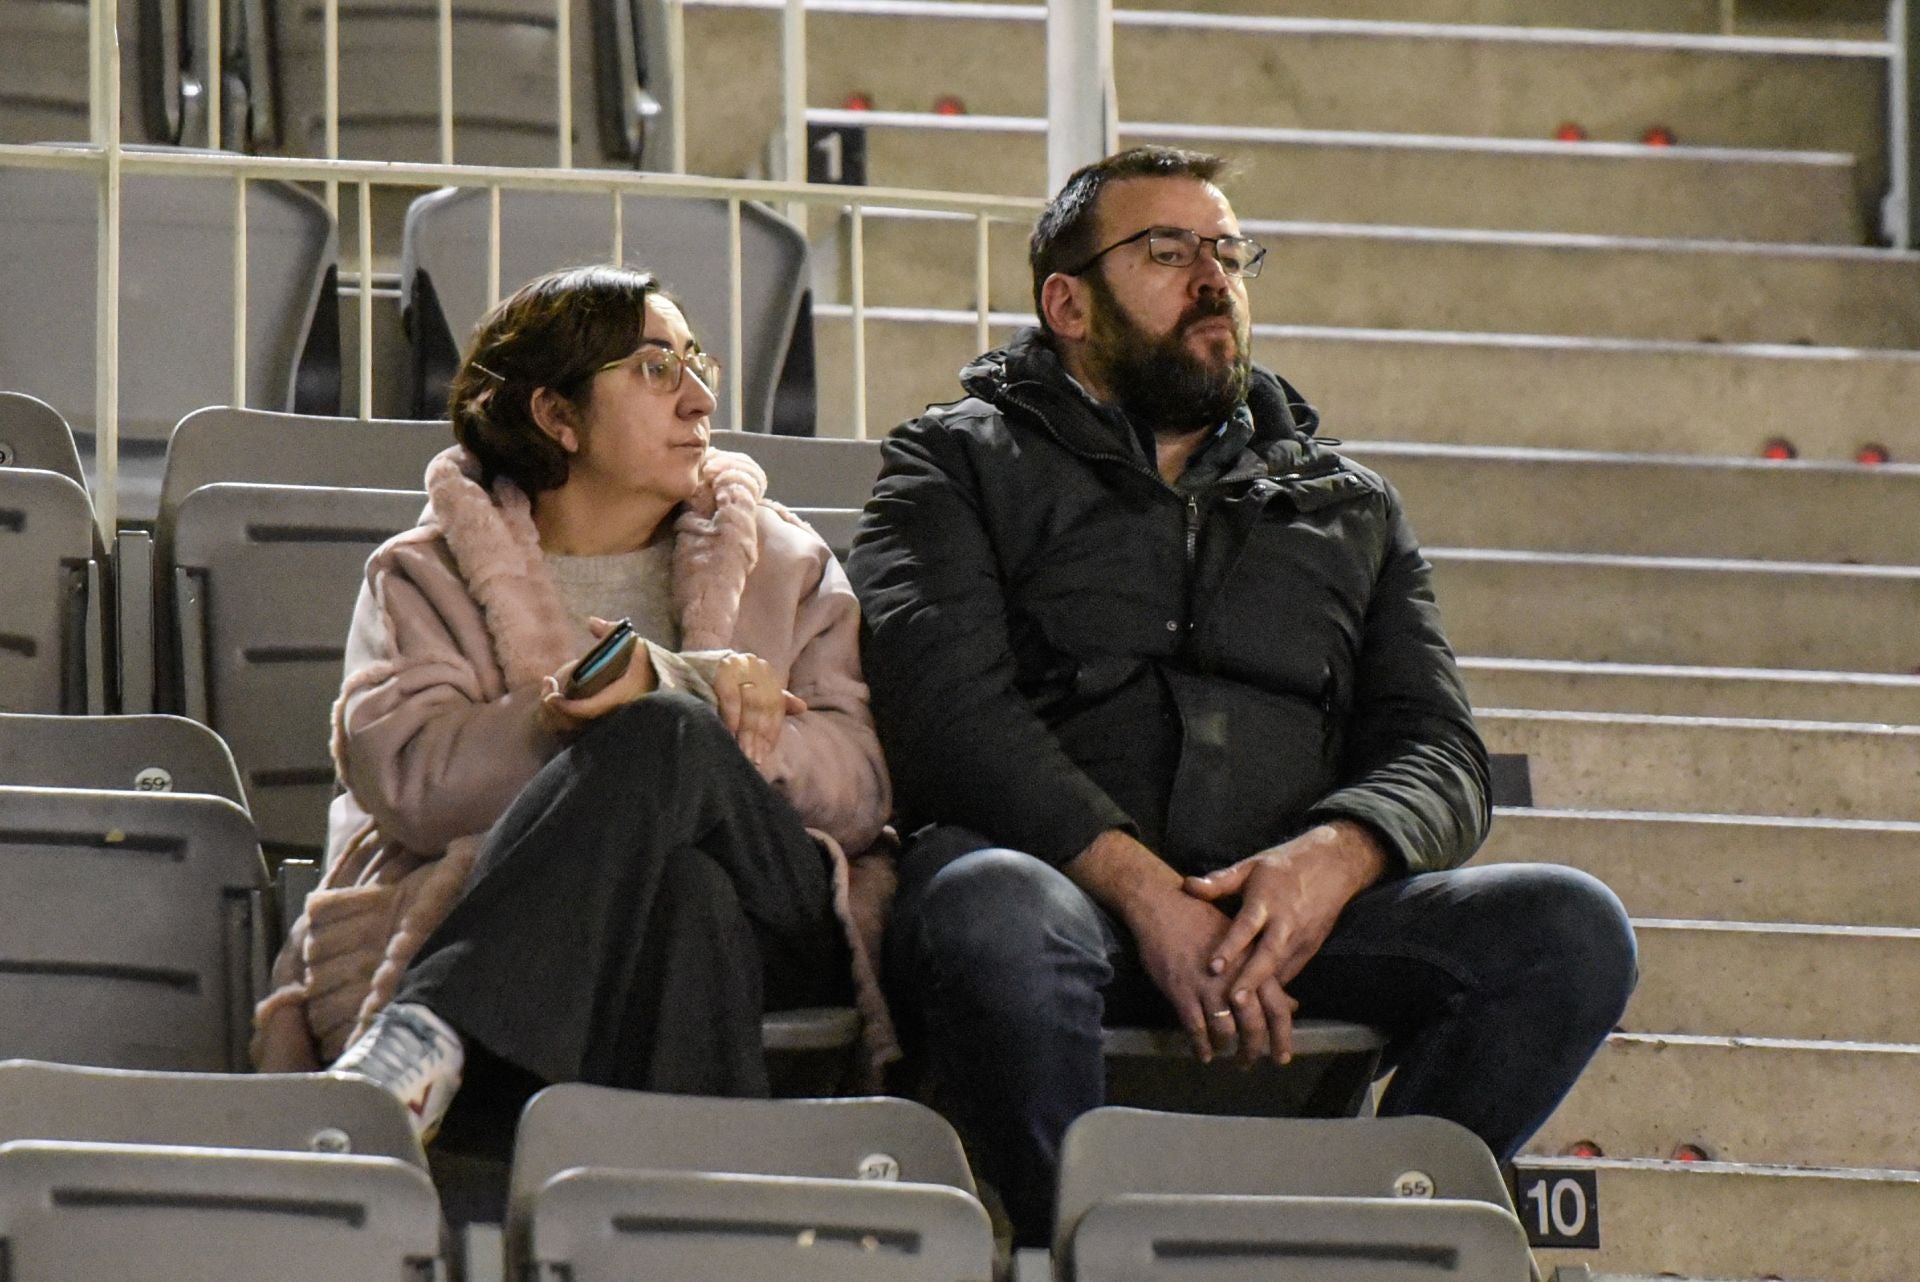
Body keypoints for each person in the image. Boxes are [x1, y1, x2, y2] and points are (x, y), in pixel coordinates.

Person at [847, 147, 1637, 1243]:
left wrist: (1330, 862)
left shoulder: (1349, 505)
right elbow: (946, 716)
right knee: (991, 912)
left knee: (1571, 929)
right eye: (1167, 252)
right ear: (1066, 302)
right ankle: (1077, 1253)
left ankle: (1357, 1245)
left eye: (1227, 251)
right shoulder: (954, 462)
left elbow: (1440, 752)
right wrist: (1144, 890)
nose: (1212, 277)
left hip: (1292, 924)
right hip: (1059, 895)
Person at [253, 265, 895, 1140]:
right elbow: (406, 777)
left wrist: (695, 702)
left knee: (666, 725)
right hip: (603, 933)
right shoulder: (426, 572)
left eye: (696, 364)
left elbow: (862, 785)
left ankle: (433, 1029)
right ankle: (690, 1215)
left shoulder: (786, 560)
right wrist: (565, 714)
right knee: (684, 892)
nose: (701, 398)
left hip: (776, 912)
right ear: (556, 416)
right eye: (656, 370)